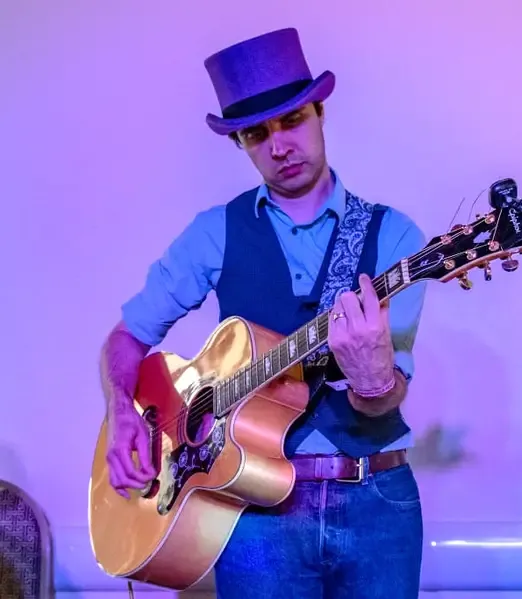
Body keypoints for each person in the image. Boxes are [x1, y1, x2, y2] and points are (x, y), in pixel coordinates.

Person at [100, 27, 428, 599]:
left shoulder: (396, 237)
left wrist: (374, 381)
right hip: (250, 510)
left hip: (377, 501)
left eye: (292, 121)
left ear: (319, 112)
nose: (279, 145)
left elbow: (383, 400)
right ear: (242, 145)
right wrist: (122, 414)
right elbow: (127, 338)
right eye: (257, 134)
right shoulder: (214, 233)